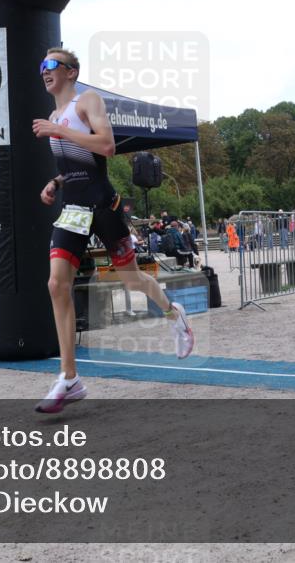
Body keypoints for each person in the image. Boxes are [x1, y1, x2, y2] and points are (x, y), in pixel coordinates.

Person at [31, 47, 194, 414]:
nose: (44, 70)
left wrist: (58, 129)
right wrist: (55, 182)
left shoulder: (87, 101)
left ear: (71, 72)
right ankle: (69, 377)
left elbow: (106, 146)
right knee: (57, 284)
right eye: (42, 66)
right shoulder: (55, 115)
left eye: (52, 65)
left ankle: (173, 313)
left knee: (132, 279)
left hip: (104, 207)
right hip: (73, 209)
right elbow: (75, 166)